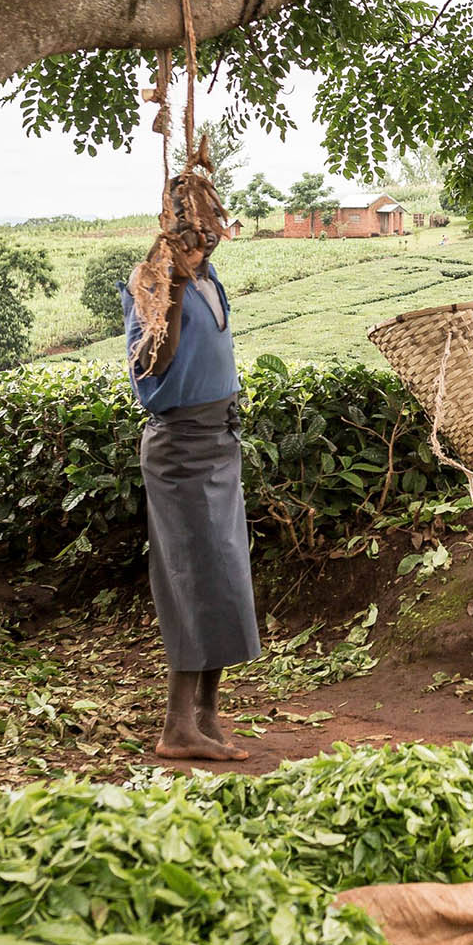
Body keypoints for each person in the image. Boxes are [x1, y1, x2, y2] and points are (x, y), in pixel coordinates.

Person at [121, 165, 262, 762]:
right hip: (180, 449)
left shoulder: (211, 278)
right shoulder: (150, 283)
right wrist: (173, 288)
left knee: (226, 575)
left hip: (220, 442)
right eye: (190, 228)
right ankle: (176, 726)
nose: (202, 238)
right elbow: (151, 366)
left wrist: (193, 278)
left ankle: (207, 714)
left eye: (209, 226)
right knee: (192, 580)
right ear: (169, 224)